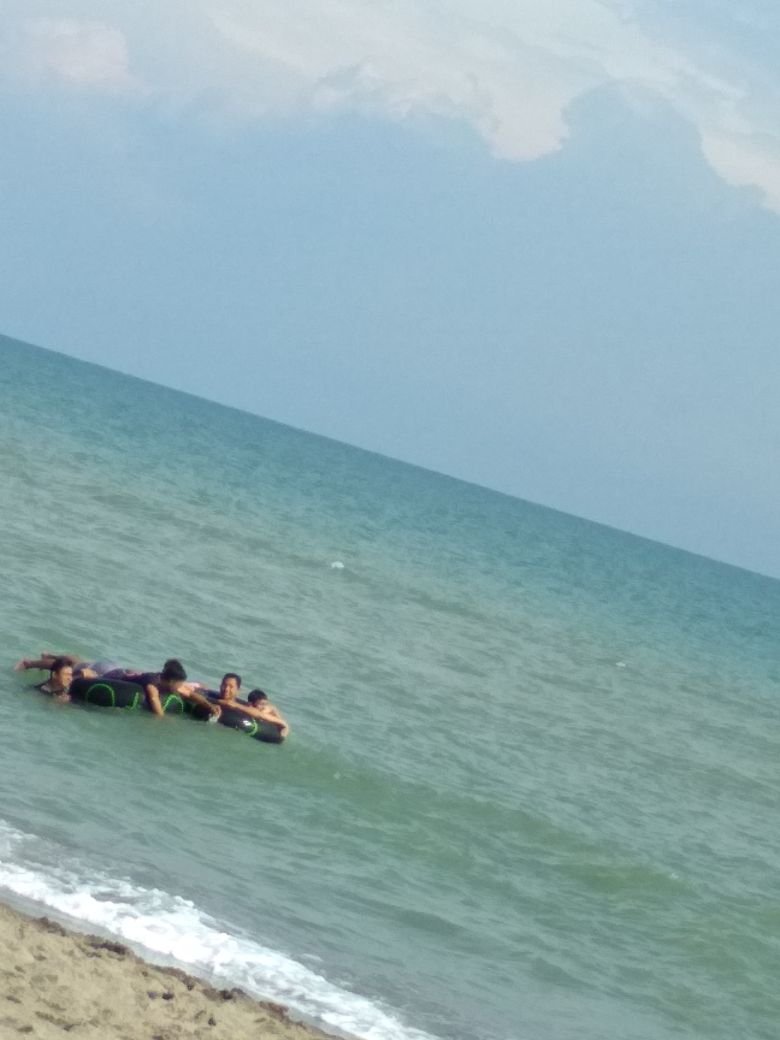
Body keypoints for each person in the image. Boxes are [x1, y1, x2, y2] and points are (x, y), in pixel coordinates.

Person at [116, 659, 221, 720]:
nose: (180, 687)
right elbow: (154, 700)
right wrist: (163, 719)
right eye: (179, 684)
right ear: (171, 681)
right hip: (118, 676)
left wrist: (210, 706)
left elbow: (190, 694)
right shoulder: (153, 684)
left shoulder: (171, 684)